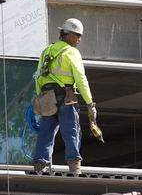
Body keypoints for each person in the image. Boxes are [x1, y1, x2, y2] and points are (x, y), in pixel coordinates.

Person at [32, 18, 96, 175]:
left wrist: (40, 96)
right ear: (68, 34)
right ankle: (75, 169)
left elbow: (38, 77)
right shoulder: (71, 52)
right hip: (66, 97)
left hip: (47, 96)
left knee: (46, 131)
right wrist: (90, 103)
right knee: (71, 131)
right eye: (78, 35)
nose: (79, 40)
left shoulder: (46, 51)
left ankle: (40, 167)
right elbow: (80, 78)